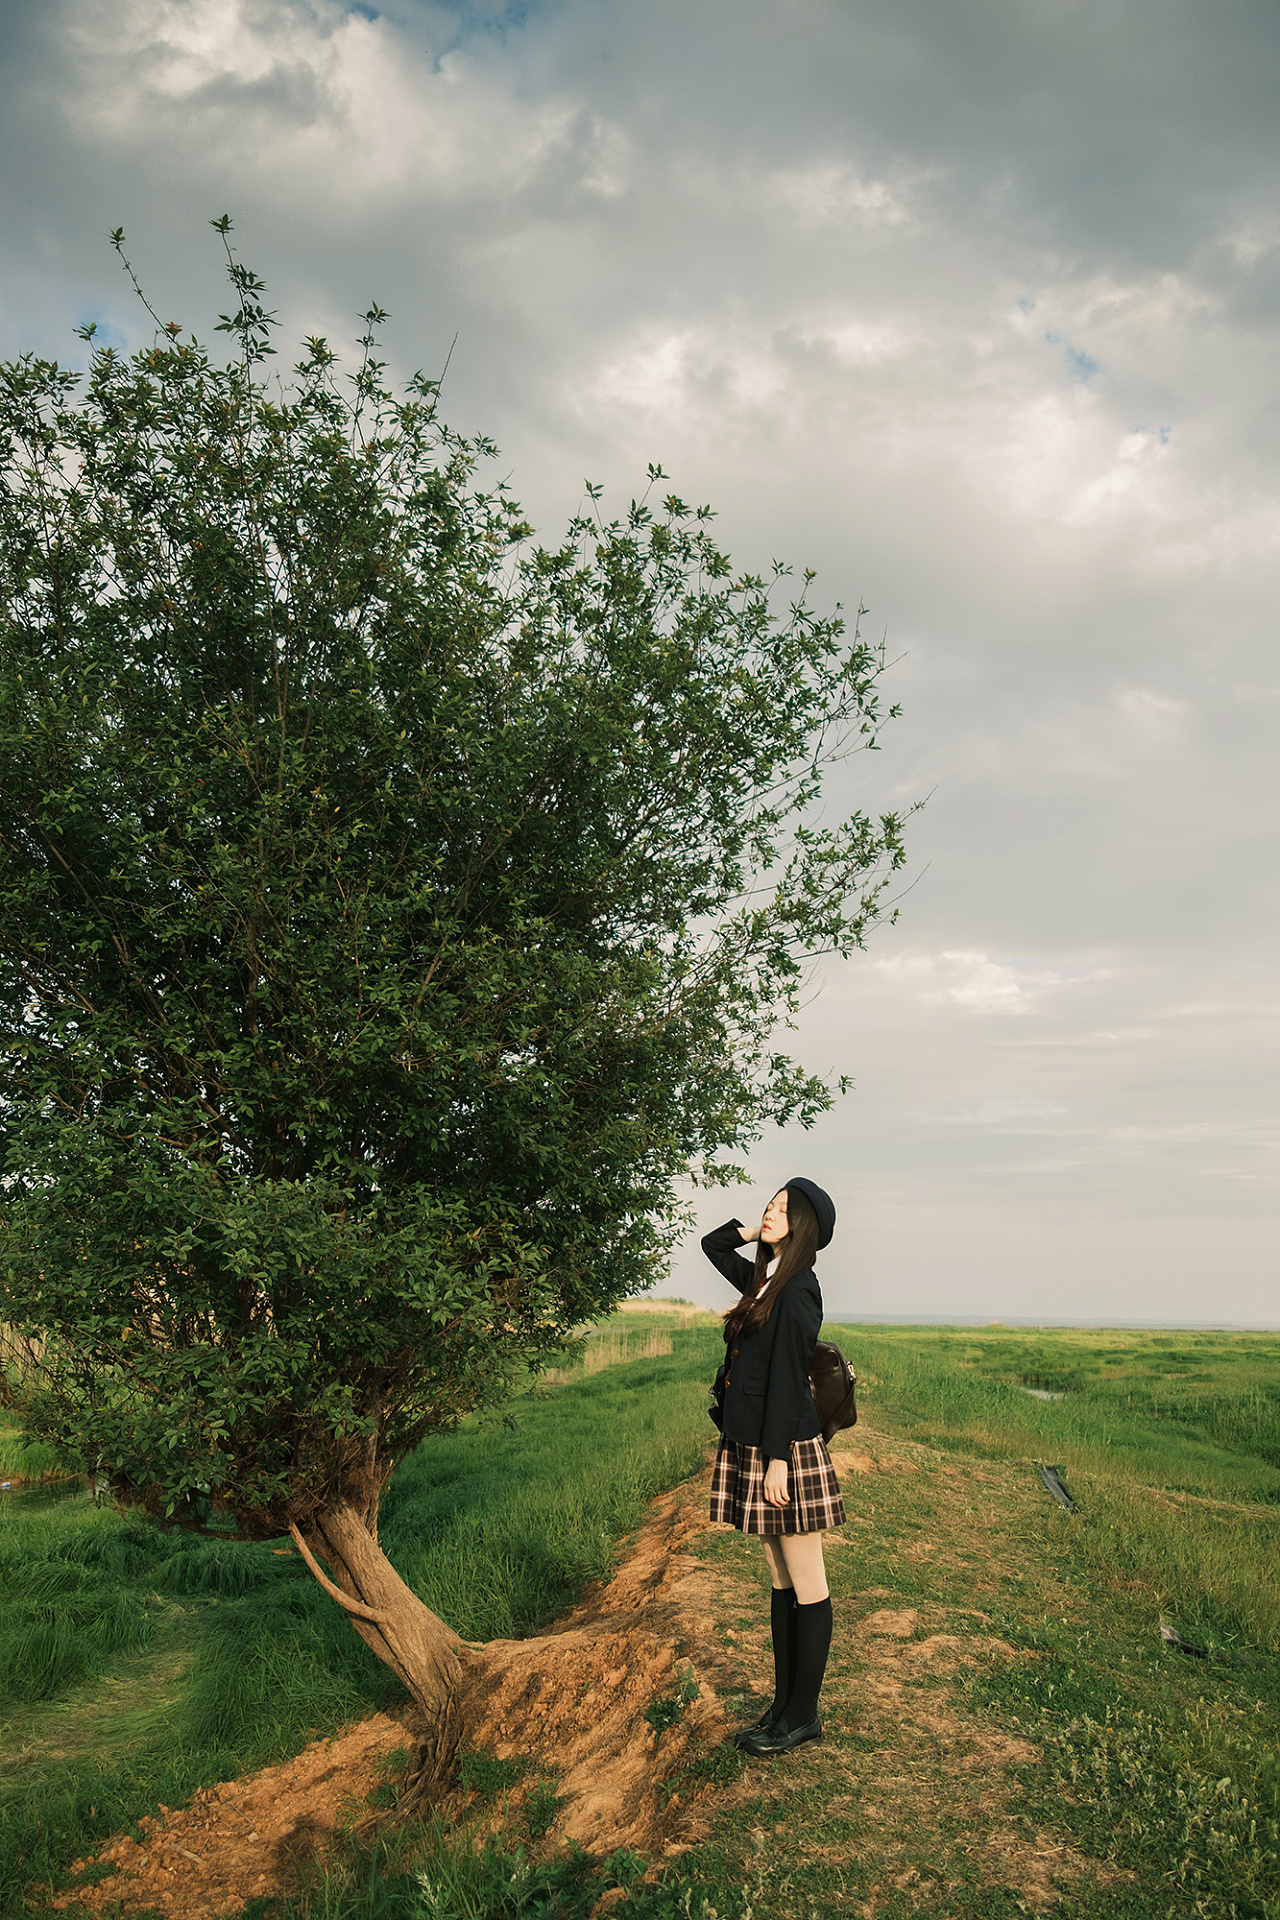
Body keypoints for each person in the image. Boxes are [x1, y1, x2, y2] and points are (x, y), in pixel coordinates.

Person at [702, 1178, 844, 1756]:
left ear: (806, 1225)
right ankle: (782, 1706)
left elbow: (789, 1378)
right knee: (780, 1579)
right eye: (769, 1203)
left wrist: (779, 1461)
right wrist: (752, 1230)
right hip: (753, 1441)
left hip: (783, 1447)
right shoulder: (763, 1278)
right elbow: (713, 1246)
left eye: (784, 1209)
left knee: (807, 1582)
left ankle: (803, 1716)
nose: (770, 1212)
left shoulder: (798, 1289)